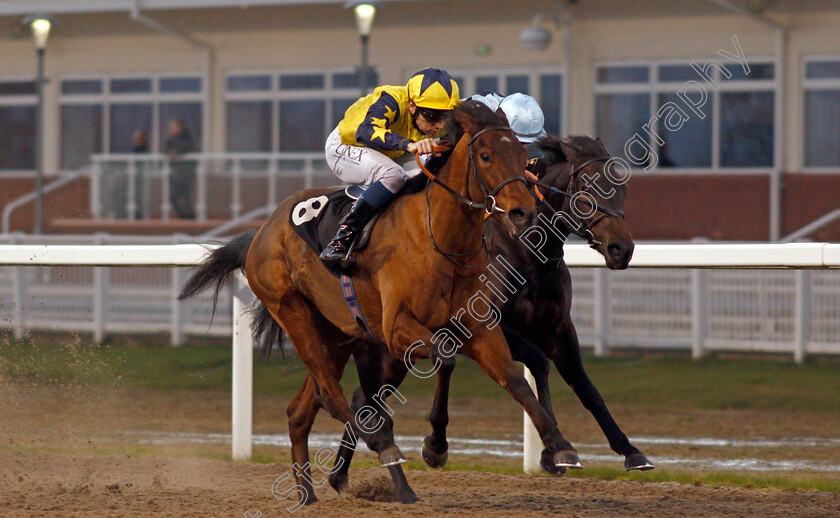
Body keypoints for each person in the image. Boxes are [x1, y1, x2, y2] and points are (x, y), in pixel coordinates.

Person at [319, 68, 461, 266]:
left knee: (431, 172)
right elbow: (366, 131)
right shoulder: (391, 100)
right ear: (412, 106)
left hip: (389, 151)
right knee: (393, 174)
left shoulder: (436, 114)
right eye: (431, 116)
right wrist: (409, 145)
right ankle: (342, 238)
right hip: (346, 146)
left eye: (445, 117)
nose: (439, 126)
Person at [468, 91, 547, 159]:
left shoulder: (508, 108)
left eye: (528, 144)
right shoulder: (475, 119)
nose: (522, 147)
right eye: (520, 143)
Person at [165, 118, 196, 219]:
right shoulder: (171, 139)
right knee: (174, 198)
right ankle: (185, 216)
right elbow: (166, 150)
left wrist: (177, 152)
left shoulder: (186, 138)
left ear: (180, 128)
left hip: (185, 174)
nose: (171, 129)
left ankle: (189, 217)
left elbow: (187, 148)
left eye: (173, 127)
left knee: (184, 197)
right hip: (176, 174)